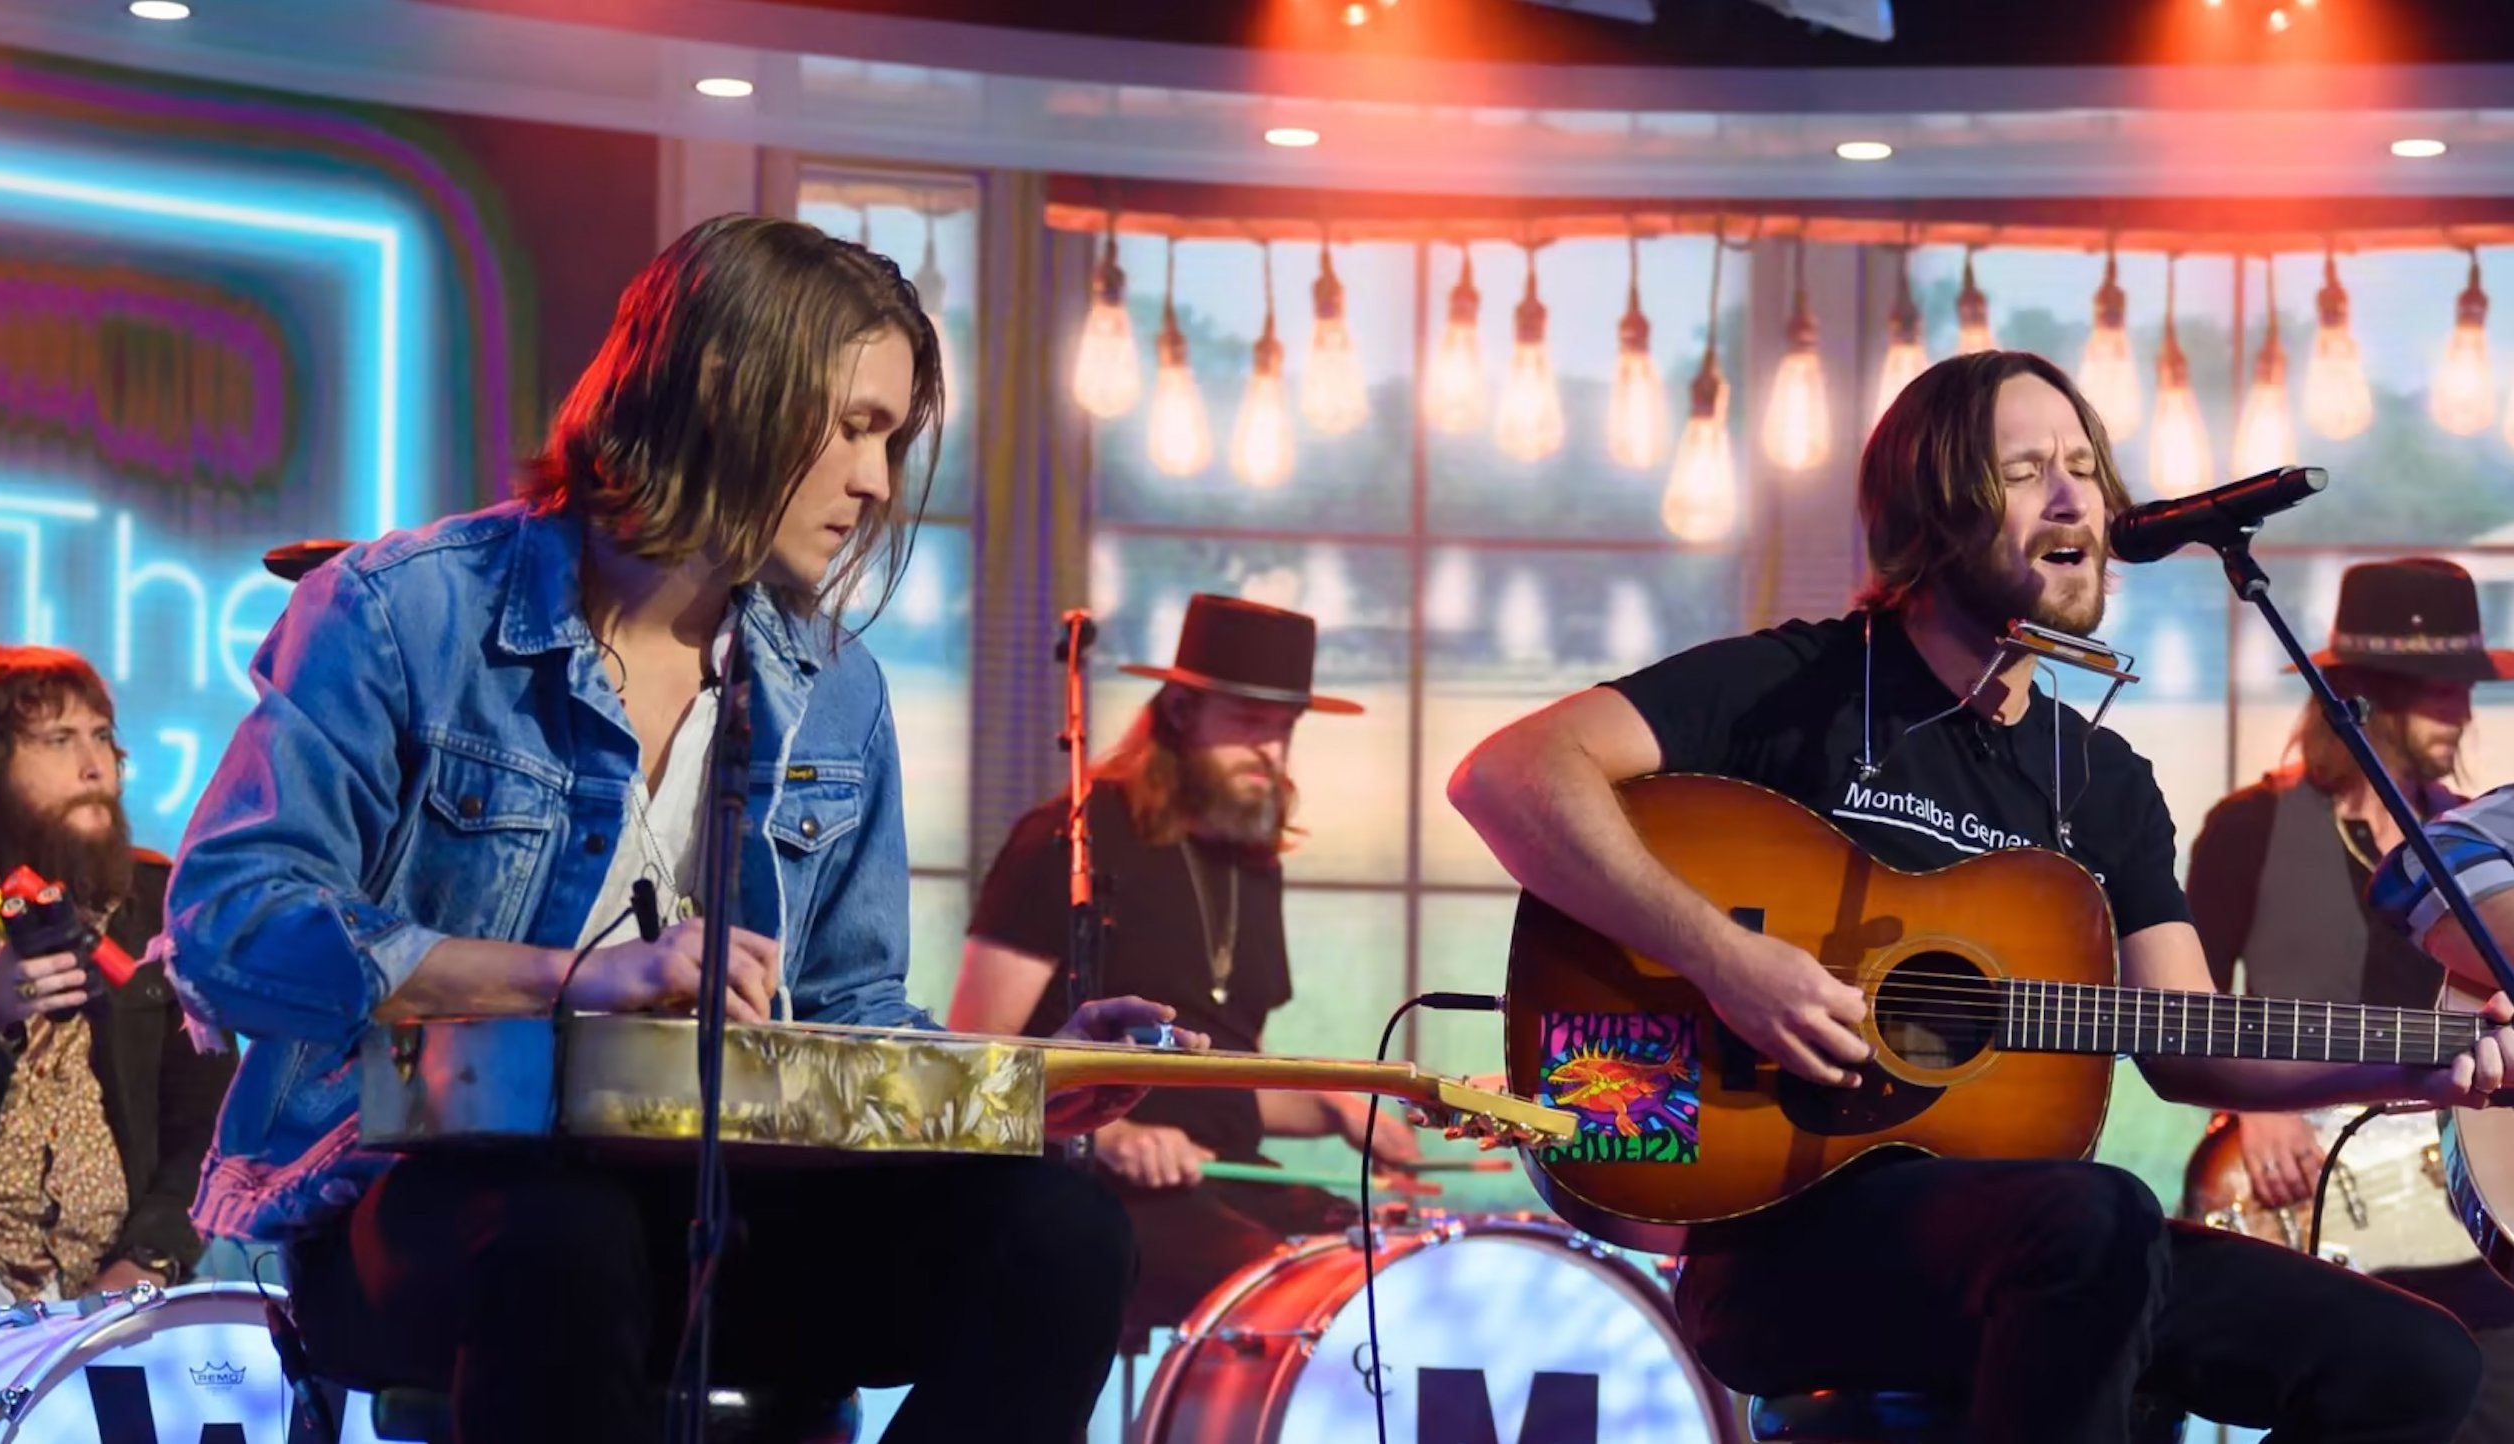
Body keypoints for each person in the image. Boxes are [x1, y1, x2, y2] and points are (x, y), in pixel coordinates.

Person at [158, 214, 1195, 1443]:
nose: (875, 480)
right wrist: (576, 981)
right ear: (721, 387)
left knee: (1060, 1234)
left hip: (724, 1206)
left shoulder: (836, 688)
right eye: (854, 426)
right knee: (564, 1232)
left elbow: (850, 1021)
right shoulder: (401, 611)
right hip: (423, 1197)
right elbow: (229, 920)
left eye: (891, 439)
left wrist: (1023, 1087)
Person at [1448, 349, 2499, 1444]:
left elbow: (2193, 1043)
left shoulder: (2102, 782)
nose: (2073, 497)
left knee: (2414, 1362)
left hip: (2045, 1247)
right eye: (2026, 469)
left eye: (2087, 467)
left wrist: (2426, 1053)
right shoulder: (1795, 688)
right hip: (1781, 1240)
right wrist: (1725, 959)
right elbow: (1510, 775)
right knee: (2097, 1218)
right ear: (1936, 509)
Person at [950, 592, 1417, 1335]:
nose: (1272, 752)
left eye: (1284, 731)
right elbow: (972, 1061)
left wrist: (1334, 1100)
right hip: (1081, 1184)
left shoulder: (1252, 861)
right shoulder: (1068, 838)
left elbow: (1229, 1086)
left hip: (1219, 1176)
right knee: (1291, 1300)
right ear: (1179, 713)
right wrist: (1107, 1136)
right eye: (1249, 725)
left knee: (1381, 1270)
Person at [2186, 557, 2514, 1443]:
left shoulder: (2482, 859)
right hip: (2301, 1193)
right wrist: (2245, 1108)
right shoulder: (2248, 826)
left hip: (2457, 1203)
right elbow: (2181, 1000)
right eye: (2442, 691)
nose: (2464, 712)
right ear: (2364, 697)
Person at [0, 645, 233, 1334]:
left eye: (101, 738)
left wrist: (151, 1261)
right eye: (58, 741)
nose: (94, 766)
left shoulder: (154, 904)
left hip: (102, 1290)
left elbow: (207, 1125)